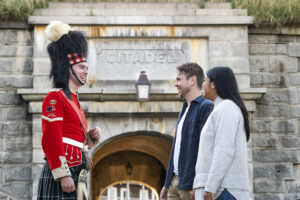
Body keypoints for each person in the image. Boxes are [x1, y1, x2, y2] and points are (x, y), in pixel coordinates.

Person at [37, 21, 101, 199]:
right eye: (81, 67)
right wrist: (62, 173)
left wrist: (90, 137)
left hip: (76, 168)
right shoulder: (55, 97)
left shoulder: (74, 100)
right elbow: (51, 137)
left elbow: (74, 139)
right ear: (68, 68)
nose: (85, 71)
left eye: (87, 68)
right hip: (64, 170)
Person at [193, 66, 250, 200]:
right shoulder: (221, 108)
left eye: (205, 81)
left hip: (223, 190)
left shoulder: (227, 108)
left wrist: (211, 186)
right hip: (220, 190)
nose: (202, 85)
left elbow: (224, 150)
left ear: (213, 84)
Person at [160, 63, 214, 200]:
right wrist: (167, 184)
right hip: (174, 184)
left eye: (179, 80)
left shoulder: (206, 107)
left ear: (192, 80)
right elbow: (175, 150)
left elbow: (207, 149)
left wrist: (199, 184)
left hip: (191, 185)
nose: (176, 84)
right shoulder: (184, 110)